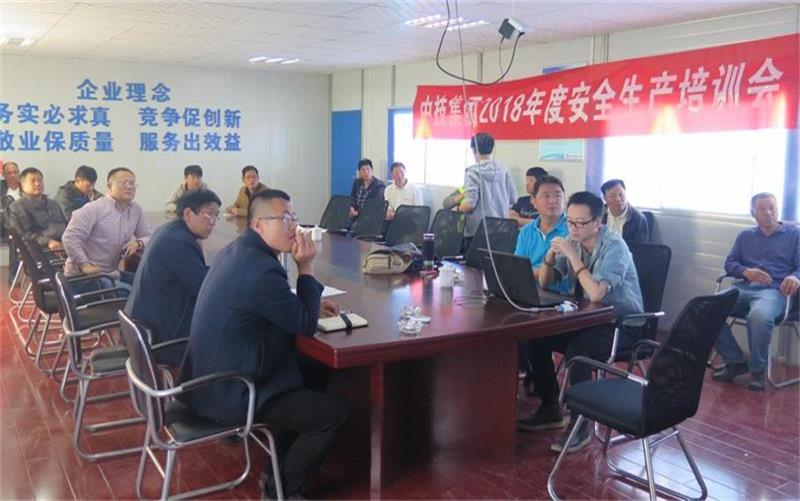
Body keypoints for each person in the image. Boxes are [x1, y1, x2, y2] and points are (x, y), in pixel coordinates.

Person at [180, 189, 347, 499]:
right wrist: (306, 268)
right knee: (332, 415)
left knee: (315, 370)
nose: (294, 226)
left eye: (295, 218)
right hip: (232, 389)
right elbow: (305, 325)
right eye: (285, 219)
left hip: (209, 376)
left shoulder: (239, 252)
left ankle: (276, 467)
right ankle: (281, 489)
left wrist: (305, 303)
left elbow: (270, 304)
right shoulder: (262, 269)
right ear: (258, 224)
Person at [518, 191, 643, 454]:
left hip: (622, 325)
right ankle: (551, 408)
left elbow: (596, 293)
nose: (572, 228)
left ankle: (580, 423)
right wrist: (550, 257)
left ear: (598, 222)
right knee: (536, 335)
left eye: (580, 223)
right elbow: (545, 282)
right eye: (570, 222)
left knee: (579, 351)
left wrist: (572, 257)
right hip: (590, 319)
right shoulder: (575, 241)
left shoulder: (614, 247)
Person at [712, 192, 800, 391]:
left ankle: (757, 371)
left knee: (759, 316)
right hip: (743, 288)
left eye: (772, 208)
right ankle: (735, 361)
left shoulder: (794, 235)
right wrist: (745, 271)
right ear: (753, 213)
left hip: (773, 291)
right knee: (707, 309)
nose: (768, 213)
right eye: (762, 209)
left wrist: (796, 277)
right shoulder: (745, 236)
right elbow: (729, 263)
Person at [125, 189, 221, 366]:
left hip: (144, 326)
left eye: (216, 215)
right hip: (160, 339)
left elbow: (197, 274)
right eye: (209, 214)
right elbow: (203, 289)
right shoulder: (179, 242)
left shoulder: (169, 230)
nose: (213, 222)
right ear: (188, 213)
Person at [62, 167, 151, 291]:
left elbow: (147, 236)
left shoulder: (136, 210)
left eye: (132, 183)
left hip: (111, 274)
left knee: (150, 283)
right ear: (109, 187)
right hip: (84, 277)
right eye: (123, 183)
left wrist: (138, 243)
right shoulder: (94, 209)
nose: (129, 186)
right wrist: (84, 264)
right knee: (134, 293)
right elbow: (69, 238)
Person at [457, 133, 517, 249]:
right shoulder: (503, 170)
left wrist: (459, 209)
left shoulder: (473, 172)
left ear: (474, 149)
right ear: (492, 149)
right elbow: (514, 199)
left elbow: (469, 204)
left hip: (478, 232)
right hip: (501, 229)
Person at [514, 175, 568, 281]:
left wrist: (527, 272)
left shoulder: (573, 229)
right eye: (546, 196)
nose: (553, 201)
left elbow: (554, 274)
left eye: (558, 196)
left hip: (558, 290)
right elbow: (518, 267)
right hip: (528, 286)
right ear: (534, 201)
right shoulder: (526, 230)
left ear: (564, 199)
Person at [8, 167, 67, 251]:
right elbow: (24, 235)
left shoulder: (53, 204)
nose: (37, 184)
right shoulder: (18, 207)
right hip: (40, 250)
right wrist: (47, 241)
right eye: (33, 181)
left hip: (65, 245)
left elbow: (66, 226)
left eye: (40, 180)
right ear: (22, 185)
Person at [600, 179, 649, 243]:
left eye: (621, 194)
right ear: (604, 198)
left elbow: (640, 247)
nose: (618, 199)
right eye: (613, 196)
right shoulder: (600, 213)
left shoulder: (639, 219)